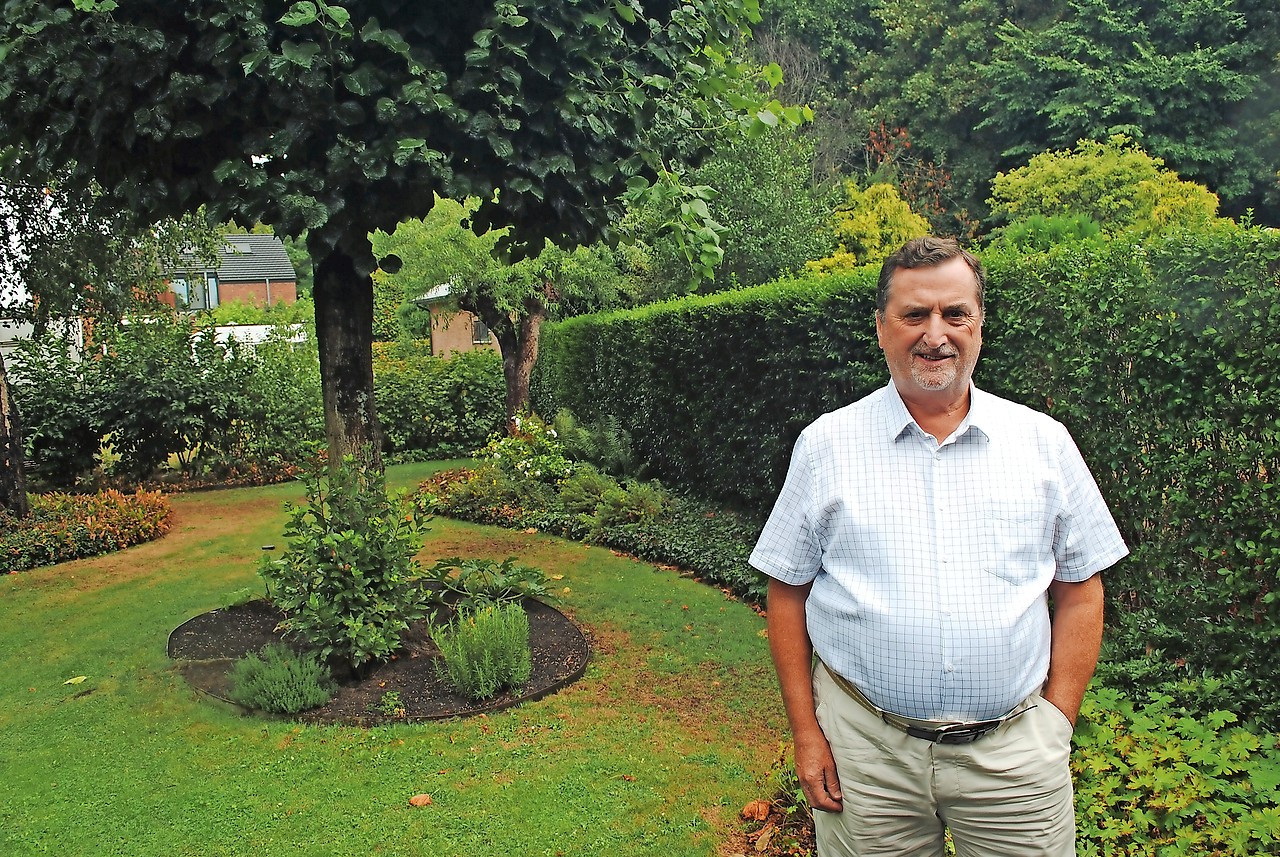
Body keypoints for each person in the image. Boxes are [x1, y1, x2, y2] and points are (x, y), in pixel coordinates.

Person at [750, 236, 1128, 856]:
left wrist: (1057, 720)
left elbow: (1082, 589)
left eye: (955, 314)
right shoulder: (826, 446)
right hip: (866, 757)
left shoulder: (1043, 443)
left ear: (979, 325)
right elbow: (786, 591)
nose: (936, 334)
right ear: (880, 328)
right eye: (914, 315)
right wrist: (807, 733)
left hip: (1013, 760)